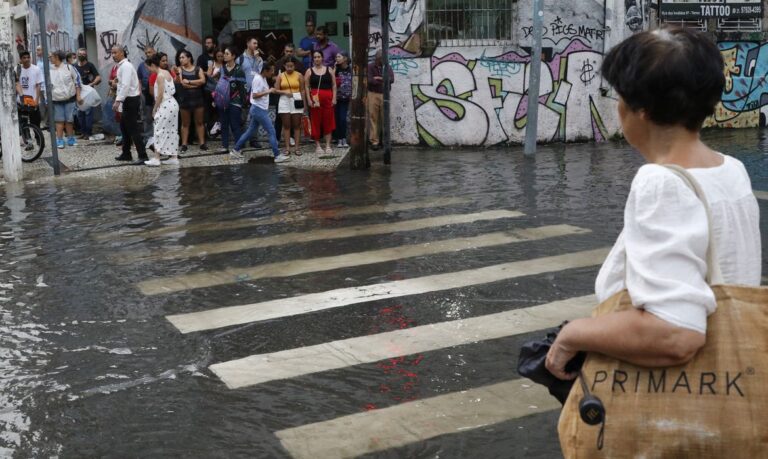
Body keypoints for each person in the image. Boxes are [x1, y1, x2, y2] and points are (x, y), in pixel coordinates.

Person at [545, 28, 761, 382]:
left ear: (639, 110)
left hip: (681, 397)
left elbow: (676, 334)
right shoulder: (730, 170)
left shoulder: (660, 182)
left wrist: (574, 334)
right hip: (733, 375)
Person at [232, 63, 288, 163]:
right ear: (265, 71)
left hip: (259, 109)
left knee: (250, 132)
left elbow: (268, 90)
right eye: (271, 70)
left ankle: (235, 149)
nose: (272, 72)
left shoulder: (263, 78)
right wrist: (268, 91)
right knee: (271, 131)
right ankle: (277, 155)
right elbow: (255, 95)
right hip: (258, 109)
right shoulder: (258, 79)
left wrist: (275, 90)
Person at [112, 45, 148, 164]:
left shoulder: (126, 66)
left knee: (133, 129)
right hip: (127, 99)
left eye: (115, 52)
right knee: (124, 128)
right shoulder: (121, 66)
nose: (113, 55)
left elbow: (126, 85)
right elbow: (122, 84)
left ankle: (143, 155)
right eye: (112, 53)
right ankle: (126, 153)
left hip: (130, 100)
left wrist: (118, 101)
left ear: (122, 53)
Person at [144, 53, 180, 166]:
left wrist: (154, 109)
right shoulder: (167, 72)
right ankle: (173, 156)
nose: (148, 70)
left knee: (159, 130)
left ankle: (157, 158)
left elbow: (159, 95)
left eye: (148, 67)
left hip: (165, 104)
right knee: (172, 130)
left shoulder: (160, 75)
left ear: (153, 65)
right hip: (173, 104)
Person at [304, 50, 336, 154]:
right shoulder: (309, 71)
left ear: (322, 58)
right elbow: (306, 86)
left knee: (328, 121)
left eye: (318, 57)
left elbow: (334, 85)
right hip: (315, 100)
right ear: (313, 59)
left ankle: (327, 145)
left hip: (328, 99)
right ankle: (317, 145)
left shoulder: (329, 70)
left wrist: (334, 98)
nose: (317, 59)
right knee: (315, 122)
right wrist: (309, 100)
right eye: (315, 57)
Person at [217, 46, 247, 155]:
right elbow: (219, 85)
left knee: (235, 124)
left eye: (227, 54)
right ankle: (224, 146)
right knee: (224, 124)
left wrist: (244, 103)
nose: (224, 56)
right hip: (223, 101)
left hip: (235, 100)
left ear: (233, 56)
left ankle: (238, 147)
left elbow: (243, 88)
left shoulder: (239, 70)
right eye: (224, 53)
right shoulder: (222, 69)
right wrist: (216, 97)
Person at [49, 50, 82, 149]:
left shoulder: (69, 68)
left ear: (57, 57)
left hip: (70, 99)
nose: (50, 58)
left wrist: (78, 95)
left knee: (69, 120)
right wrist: (47, 99)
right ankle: (59, 140)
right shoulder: (49, 70)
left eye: (51, 56)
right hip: (56, 99)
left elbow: (77, 81)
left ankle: (70, 138)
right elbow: (46, 86)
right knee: (59, 121)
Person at [176, 50, 208, 152]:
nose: (181, 59)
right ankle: (184, 144)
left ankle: (202, 143)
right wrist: (196, 84)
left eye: (183, 57)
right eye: (180, 58)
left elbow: (203, 81)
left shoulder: (198, 69)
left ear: (189, 58)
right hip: (184, 99)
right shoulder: (179, 69)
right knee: (185, 123)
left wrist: (189, 82)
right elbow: (182, 83)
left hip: (198, 99)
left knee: (199, 122)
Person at [275, 57, 307, 156]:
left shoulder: (299, 75)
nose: (289, 68)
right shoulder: (280, 76)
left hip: (297, 99)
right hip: (284, 100)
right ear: (284, 66)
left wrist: (304, 103)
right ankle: (287, 148)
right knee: (286, 125)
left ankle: (297, 148)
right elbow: (276, 90)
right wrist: (285, 92)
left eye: (291, 66)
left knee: (297, 125)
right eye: (287, 66)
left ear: (295, 66)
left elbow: (302, 90)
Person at [238, 37, 264, 148]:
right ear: (248, 43)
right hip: (244, 91)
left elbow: (262, 73)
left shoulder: (259, 59)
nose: (256, 45)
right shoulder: (240, 59)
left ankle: (254, 140)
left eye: (257, 43)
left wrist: (258, 59)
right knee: (242, 118)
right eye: (254, 43)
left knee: (255, 117)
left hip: (256, 91)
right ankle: (242, 140)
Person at [367, 50, 394, 150]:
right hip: (373, 94)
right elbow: (370, 80)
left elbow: (391, 79)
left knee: (385, 118)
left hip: (385, 94)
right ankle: (374, 141)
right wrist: (383, 80)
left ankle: (385, 141)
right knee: (373, 117)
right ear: (377, 59)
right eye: (382, 59)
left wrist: (379, 78)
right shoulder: (370, 67)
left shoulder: (387, 67)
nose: (384, 61)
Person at [74, 48, 102, 141]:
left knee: (88, 113)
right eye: (80, 54)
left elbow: (98, 77)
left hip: (89, 93)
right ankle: (82, 132)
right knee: (80, 114)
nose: (81, 55)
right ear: (77, 55)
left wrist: (92, 84)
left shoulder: (90, 65)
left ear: (86, 55)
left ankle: (88, 133)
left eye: (83, 54)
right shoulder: (74, 66)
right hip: (78, 92)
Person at [14, 50, 43, 127]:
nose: (26, 59)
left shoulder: (36, 69)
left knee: (36, 123)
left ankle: (38, 138)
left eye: (28, 57)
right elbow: (16, 83)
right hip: (21, 102)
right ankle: (26, 137)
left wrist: (36, 99)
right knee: (23, 124)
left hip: (33, 101)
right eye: (24, 58)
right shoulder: (17, 69)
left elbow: (38, 85)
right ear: (20, 59)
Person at [137, 46, 156, 144]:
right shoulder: (141, 65)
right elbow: (139, 80)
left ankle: (158, 137)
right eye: (146, 53)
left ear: (154, 52)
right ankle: (148, 137)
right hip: (145, 93)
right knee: (147, 116)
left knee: (158, 115)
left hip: (157, 93)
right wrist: (139, 92)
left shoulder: (158, 64)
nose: (148, 54)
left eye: (150, 52)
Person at [333, 52, 352, 148]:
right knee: (338, 118)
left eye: (339, 56)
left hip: (347, 98)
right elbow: (331, 81)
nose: (337, 58)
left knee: (344, 119)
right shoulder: (336, 69)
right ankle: (340, 139)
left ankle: (344, 138)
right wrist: (334, 68)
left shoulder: (351, 69)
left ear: (345, 58)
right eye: (336, 57)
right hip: (337, 98)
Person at [207, 47, 225, 137]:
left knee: (222, 111)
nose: (220, 58)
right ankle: (213, 130)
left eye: (222, 56)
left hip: (224, 90)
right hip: (213, 91)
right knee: (214, 111)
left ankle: (219, 129)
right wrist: (216, 75)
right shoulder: (212, 64)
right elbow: (208, 76)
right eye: (218, 56)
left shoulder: (226, 65)